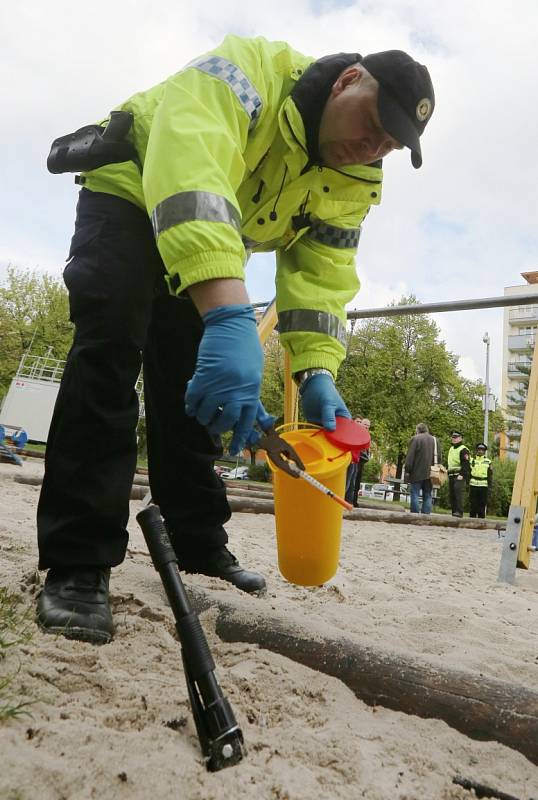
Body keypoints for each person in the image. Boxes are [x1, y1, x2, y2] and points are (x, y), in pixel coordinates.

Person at [37, 34, 435, 644]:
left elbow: (321, 279)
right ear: (347, 80)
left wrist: (317, 372)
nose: (373, 145)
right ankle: (77, 563)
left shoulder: (355, 180)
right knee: (110, 351)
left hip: (208, 236)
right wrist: (229, 316)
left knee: (195, 384)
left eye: (391, 142)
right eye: (375, 122)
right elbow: (188, 166)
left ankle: (197, 542)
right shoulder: (249, 72)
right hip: (133, 190)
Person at [404, 422, 439, 515]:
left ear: (417, 430)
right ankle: (426, 514)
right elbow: (439, 457)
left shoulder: (415, 439)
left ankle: (415, 514)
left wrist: (407, 470)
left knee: (415, 493)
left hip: (416, 472)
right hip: (431, 473)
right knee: (428, 495)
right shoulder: (435, 440)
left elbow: (410, 457)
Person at [447, 431, 470, 517]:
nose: (454, 439)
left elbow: (466, 463)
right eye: (453, 437)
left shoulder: (463, 449)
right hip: (451, 474)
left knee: (458, 492)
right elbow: (450, 462)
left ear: (460, 438)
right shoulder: (451, 448)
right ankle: (454, 512)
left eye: (456, 437)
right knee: (452, 494)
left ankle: (459, 512)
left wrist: (462, 474)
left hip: (459, 475)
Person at [469, 443, 492, 518]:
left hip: (483, 485)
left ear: (485, 451)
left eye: (482, 450)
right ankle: (472, 519)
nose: (480, 451)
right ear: (477, 450)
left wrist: (490, 486)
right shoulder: (472, 460)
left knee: (482, 504)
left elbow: (490, 475)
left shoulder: (488, 462)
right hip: (473, 484)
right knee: (473, 503)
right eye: (479, 449)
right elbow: (468, 471)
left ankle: (481, 520)